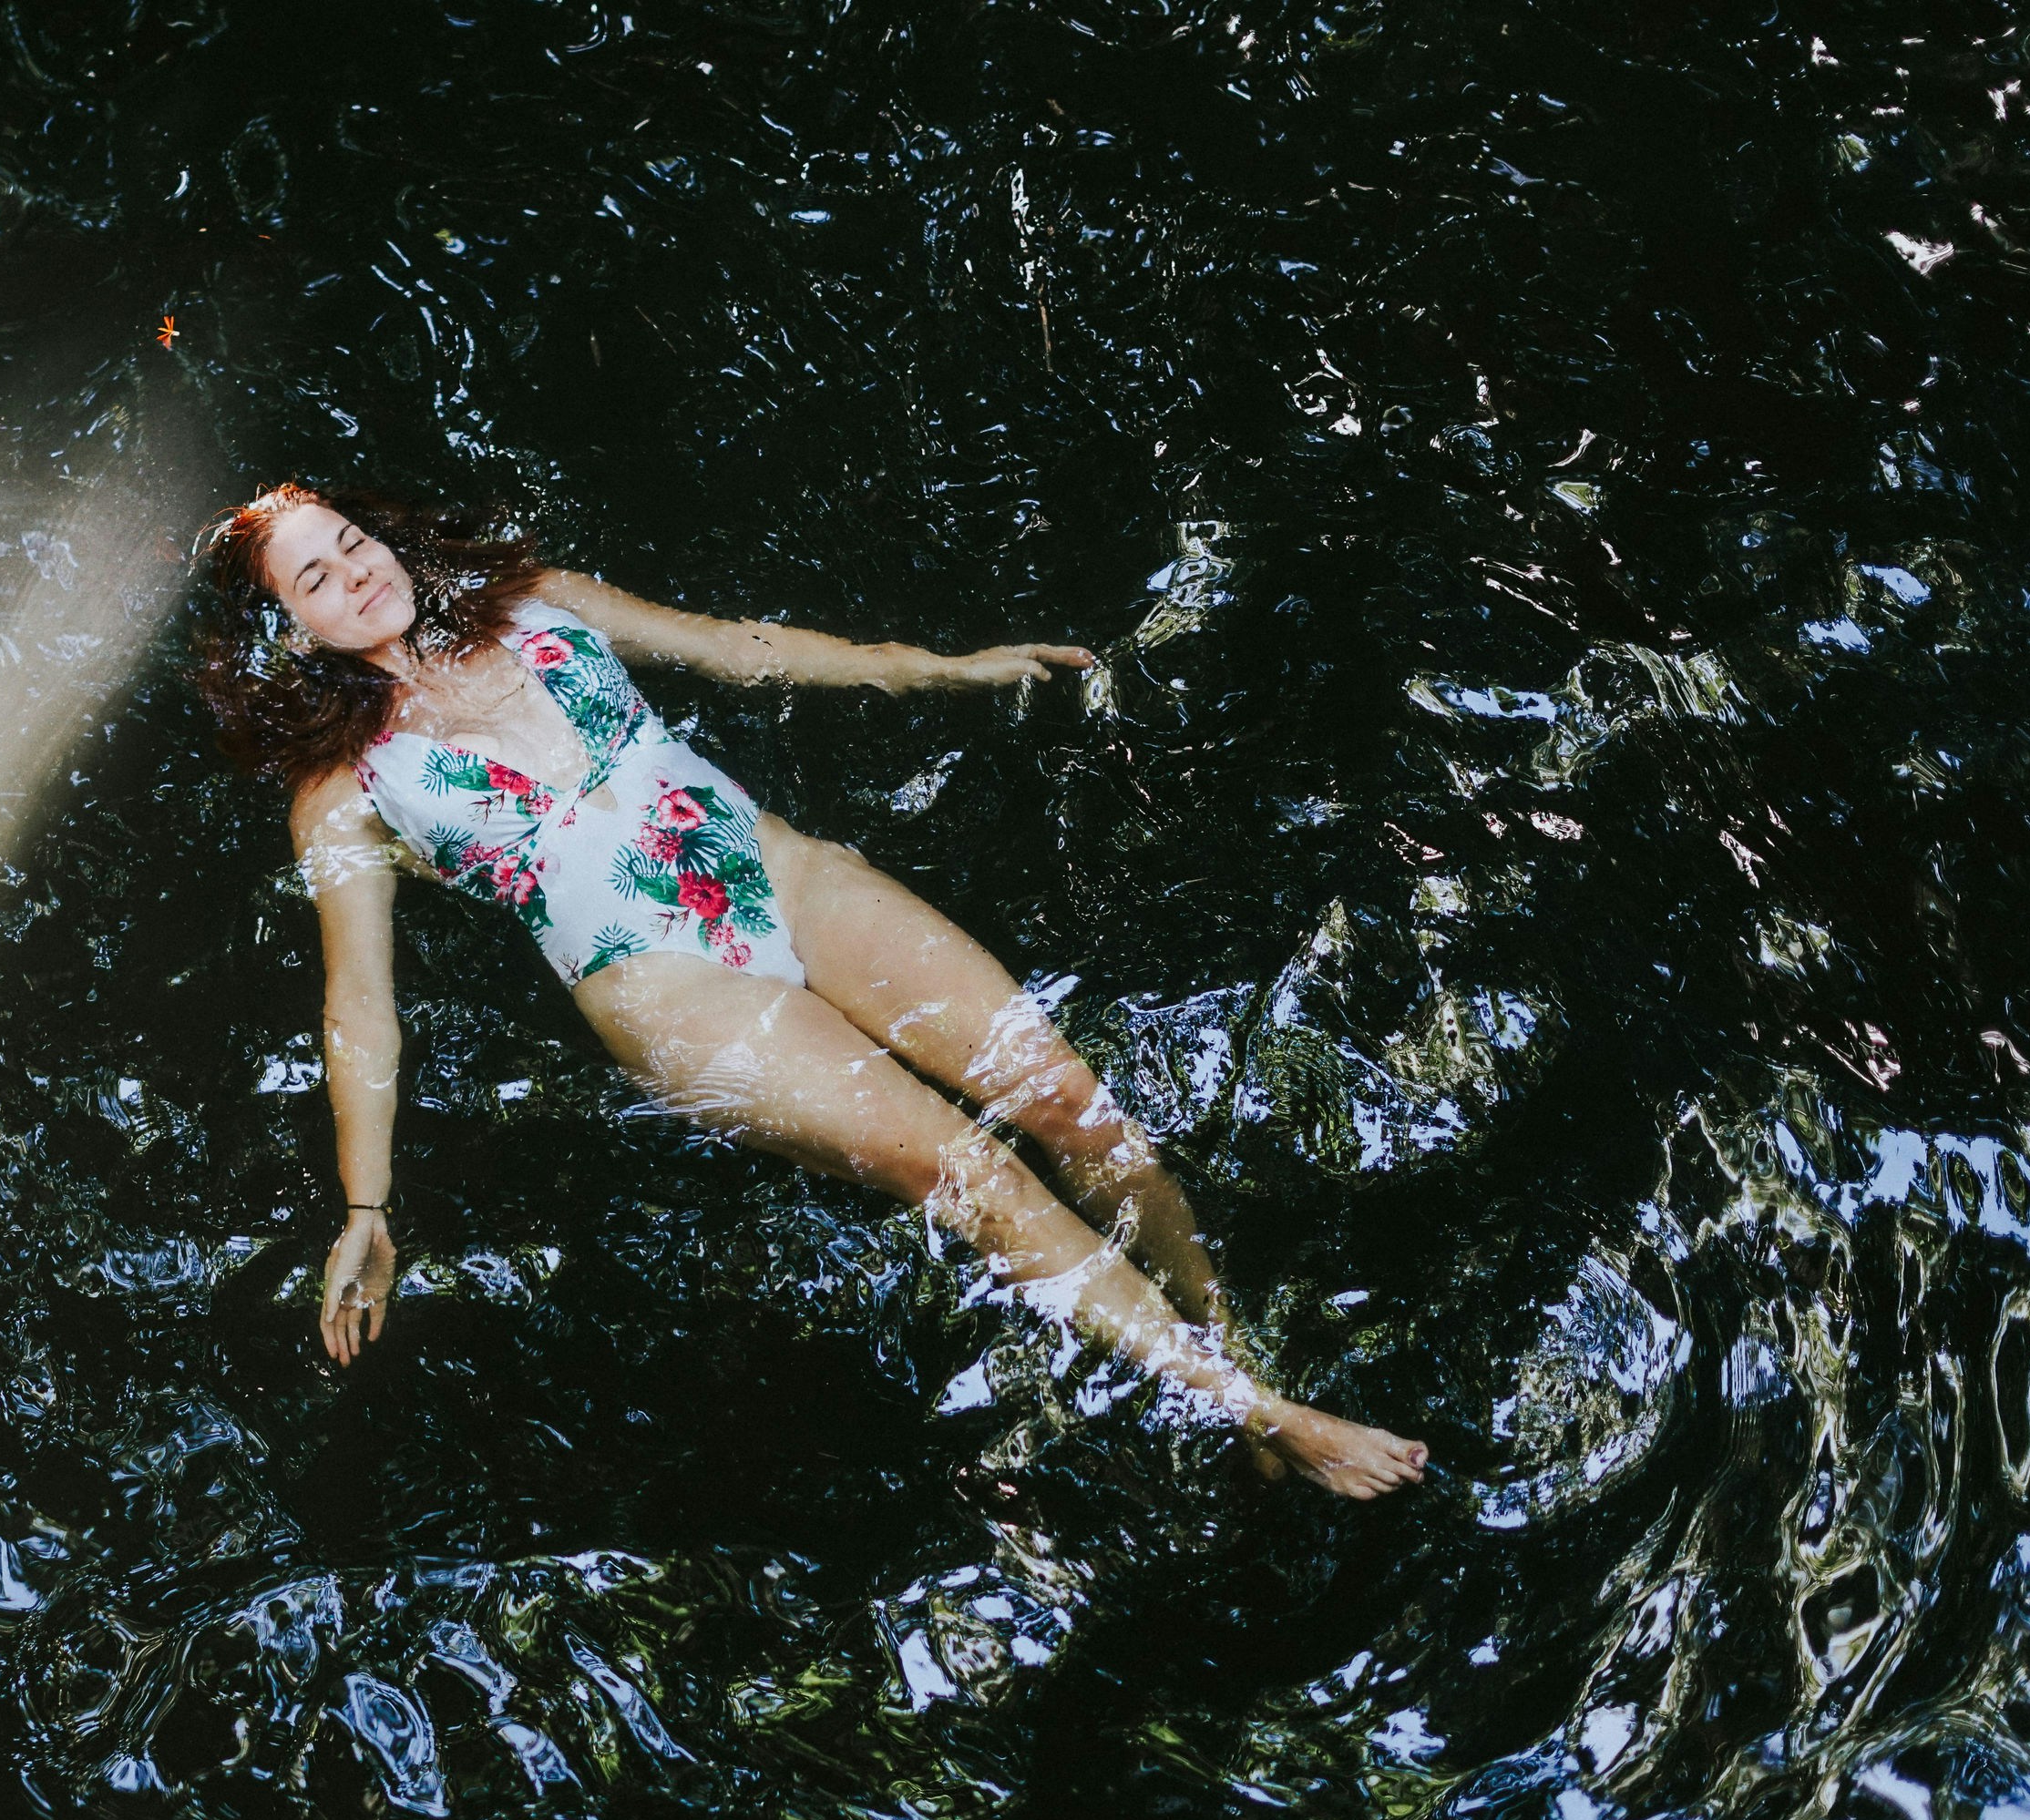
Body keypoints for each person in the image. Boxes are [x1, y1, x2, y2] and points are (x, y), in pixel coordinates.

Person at [190, 485, 1428, 1499]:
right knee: (966, 1170)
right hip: (662, 985)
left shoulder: (540, 604)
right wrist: (367, 1198)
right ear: (291, 630)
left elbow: (744, 646)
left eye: (352, 541)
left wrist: (945, 668)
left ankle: (1238, 1348)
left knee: (1067, 1099)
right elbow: (360, 1002)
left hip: (781, 876)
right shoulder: (346, 791)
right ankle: (1264, 1412)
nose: (356, 572)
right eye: (316, 577)